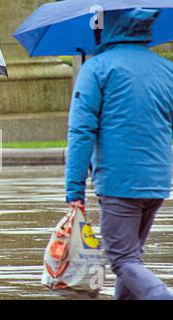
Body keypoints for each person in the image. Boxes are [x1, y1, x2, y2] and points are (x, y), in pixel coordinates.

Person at [66, 8, 173, 300]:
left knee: (122, 258)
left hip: (119, 182)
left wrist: (74, 188)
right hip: (158, 182)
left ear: (108, 27)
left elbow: (80, 132)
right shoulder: (165, 69)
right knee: (131, 257)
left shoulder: (98, 68)